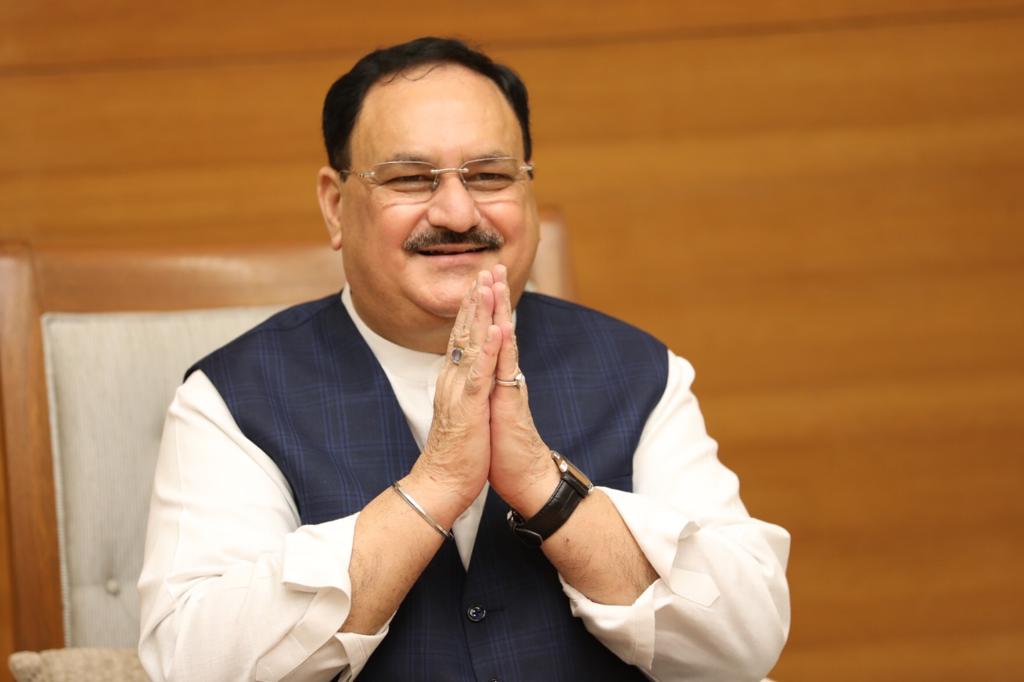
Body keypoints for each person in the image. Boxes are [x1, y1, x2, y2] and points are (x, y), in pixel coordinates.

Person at [138, 37, 790, 681]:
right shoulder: (232, 399)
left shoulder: (640, 374)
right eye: (410, 179)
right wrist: (435, 487)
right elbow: (192, 663)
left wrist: (546, 489)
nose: (456, 212)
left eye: (489, 176)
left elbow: (745, 640)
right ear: (336, 206)